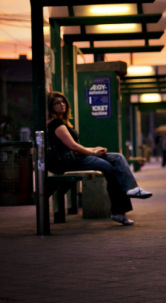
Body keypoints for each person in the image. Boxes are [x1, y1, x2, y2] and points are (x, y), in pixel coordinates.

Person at [45, 91, 152, 225]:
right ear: (51, 106)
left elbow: (75, 147)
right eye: (57, 103)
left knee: (117, 158)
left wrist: (94, 149)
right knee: (107, 166)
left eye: (63, 102)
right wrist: (94, 153)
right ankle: (119, 211)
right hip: (68, 161)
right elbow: (73, 147)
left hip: (74, 157)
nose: (61, 105)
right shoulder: (56, 124)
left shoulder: (63, 122)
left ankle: (132, 189)